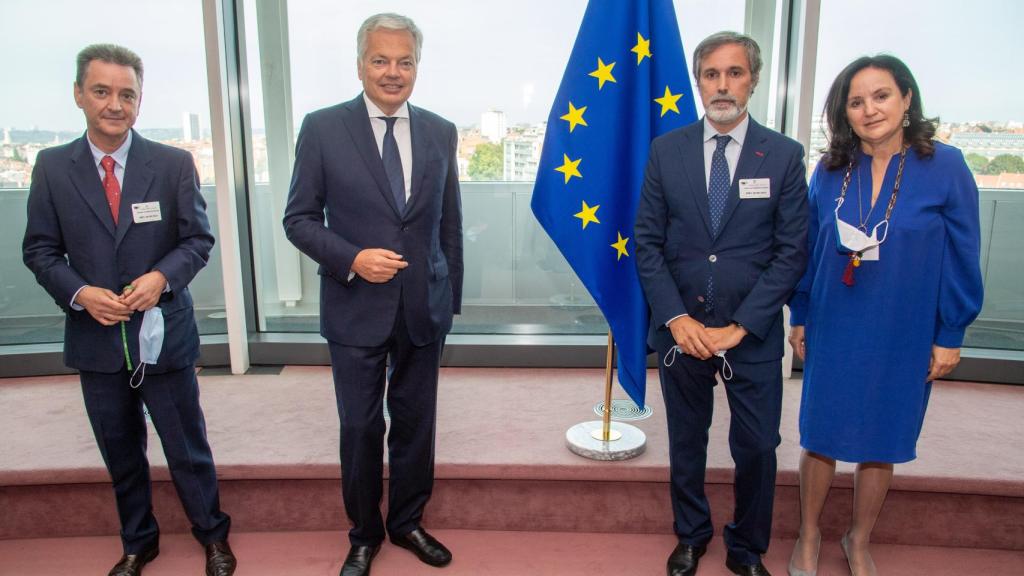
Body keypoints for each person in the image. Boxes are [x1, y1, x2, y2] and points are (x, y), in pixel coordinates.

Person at [21, 44, 236, 576]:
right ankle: (139, 543)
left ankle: (213, 536)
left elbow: (197, 240)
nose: (115, 104)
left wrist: (161, 278)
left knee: (188, 447)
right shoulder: (51, 167)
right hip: (96, 341)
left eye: (127, 94)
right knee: (121, 452)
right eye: (102, 91)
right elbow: (40, 250)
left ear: (139, 101)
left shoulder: (172, 164)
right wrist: (79, 293)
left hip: (165, 334)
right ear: (78, 95)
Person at [786, 55, 983, 576]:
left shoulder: (947, 166)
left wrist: (951, 331)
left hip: (906, 326)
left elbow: (964, 255)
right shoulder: (829, 172)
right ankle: (808, 534)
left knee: (883, 435)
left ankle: (859, 537)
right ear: (844, 113)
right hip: (835, 322)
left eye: (881, 96)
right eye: (856, 101)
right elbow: (807, 247)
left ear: (906, 99)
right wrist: (800, 312)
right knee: (821, 433)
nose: (869, 109)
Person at [282, 13, 463, 576]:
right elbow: (299, 219)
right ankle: (363, 533)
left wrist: (447, 302)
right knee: (360, 427)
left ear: (417, 66)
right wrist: (352, 259)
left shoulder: (441, 131)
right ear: (360, 64)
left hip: (421, 310)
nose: (393, 72)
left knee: (416, 423)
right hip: (354, 306)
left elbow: (447, 224)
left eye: (404, 61)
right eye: (381, 60)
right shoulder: (322, 127)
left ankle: (407, 522)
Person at [636, 31, 808, 576]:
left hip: (749, 334)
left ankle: (745, 547)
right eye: (711, 74)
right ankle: (691, 535)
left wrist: (742, 326)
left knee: (757, 446)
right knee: (687, 442)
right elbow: (646, 242)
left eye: (734, 73)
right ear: (698, 81)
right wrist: (676, 316)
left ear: (753, 80)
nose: (722, 85)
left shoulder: (783, 155)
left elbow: (791, 251)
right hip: (681, 332)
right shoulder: (667, 149)